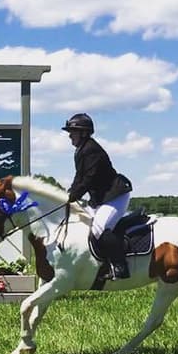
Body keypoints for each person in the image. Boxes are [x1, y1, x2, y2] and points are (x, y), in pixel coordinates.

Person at [62, 113, 133, 280]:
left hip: (115, 197)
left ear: (83, 133)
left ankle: (120, 266)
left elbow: (89, 179)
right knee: (82, 225)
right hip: (100, 199)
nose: (70, 135)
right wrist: (68, 194)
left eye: (72, 132)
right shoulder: (81, 150)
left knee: (99, 228)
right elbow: (79, 177)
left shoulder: (91, 149)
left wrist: (73, 196)